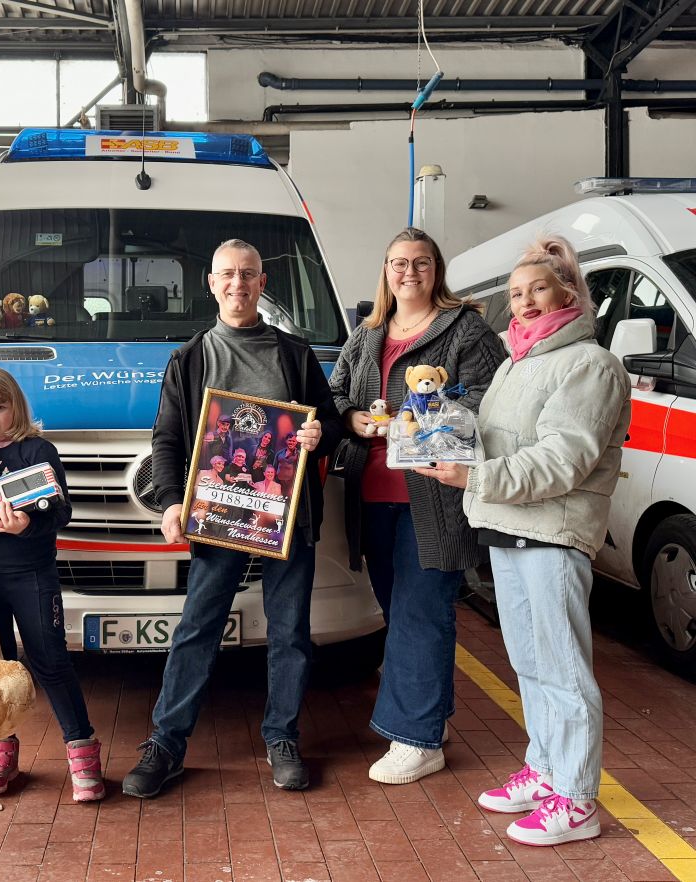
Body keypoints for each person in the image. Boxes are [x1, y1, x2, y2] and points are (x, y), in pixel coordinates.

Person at [415, 236, 630, 846]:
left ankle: (578, 801)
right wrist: (432, 426)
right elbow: (495, 436)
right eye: (515, 293)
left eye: (538, 289)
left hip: (553, 532)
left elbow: (564, 459)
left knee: (564, 671)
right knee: (530, 664)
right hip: (509, 525)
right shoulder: (517, 361)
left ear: (568, 294)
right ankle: (546, 770)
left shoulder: (590, 364)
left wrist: (474, 476)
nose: (526, 301)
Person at [122, 238, 344, 798]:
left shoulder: (295, 355)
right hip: (217, 515)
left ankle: (282, 738)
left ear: (262, 283)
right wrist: (171, 500)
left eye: (248, 274)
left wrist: (319, 435)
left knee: (290, 631)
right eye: (227, 274)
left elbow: (331, 423)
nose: (237, 284)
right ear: (212, 284)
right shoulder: (190, 359)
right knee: (197, 629)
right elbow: (167, 438)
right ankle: (167, 743)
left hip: (286, 515)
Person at [329, 227, 505, 786]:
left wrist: (426, 414)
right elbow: (335, 394)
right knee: (398, 608)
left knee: (420, 613)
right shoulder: (368, 333)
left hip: (434, 496)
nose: (410, 272)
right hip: (373, 497)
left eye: (422, 262)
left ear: (437, 270)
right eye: (400, 262)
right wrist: (354, 418)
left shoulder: (465, 329)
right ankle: (431, 718)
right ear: (386, 270)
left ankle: (416, 741)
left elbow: (494, 395)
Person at [0, 366, 105, 803]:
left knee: (51, 661)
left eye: (0, 407)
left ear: (16, 406)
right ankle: (0, 753)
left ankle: (82, 752)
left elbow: (61, 512)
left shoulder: (38, 450)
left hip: (33, 574)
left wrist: (26, 526)